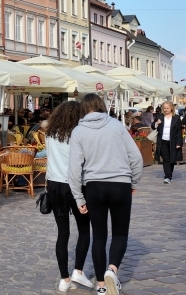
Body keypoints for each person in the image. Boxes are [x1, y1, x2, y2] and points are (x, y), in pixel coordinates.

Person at [69, 94, 143, 295]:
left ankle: (101, 285)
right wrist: (133, 181)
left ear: (83, 109)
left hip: (94, 186)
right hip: (120, 184)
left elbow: (74, 169)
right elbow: (136, 157)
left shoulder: (78, 131)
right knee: (120, 233)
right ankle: (112, 269)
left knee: (99, 236)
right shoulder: (117, 126)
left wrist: (78, 197)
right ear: (102, 106)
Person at [46, 101, 92, 292]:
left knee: (62, 233)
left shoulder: (50, 134)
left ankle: (64, 278)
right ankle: (78, 271)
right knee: (84, 230)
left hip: (55, 185)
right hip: (76, 185)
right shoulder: (78, 134)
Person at [152, 101, 184, 184]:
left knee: (172, 159)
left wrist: (179, 143)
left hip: (172, 141)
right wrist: (156, 123)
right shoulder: (160, 116)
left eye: (167, 108)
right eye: (164, 108)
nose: (165, 110)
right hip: (162, 141)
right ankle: (168, 176)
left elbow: (179, 131)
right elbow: (152, 125)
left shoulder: (176, 118)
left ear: (171, 108)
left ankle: (169, 175)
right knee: (166, 159)